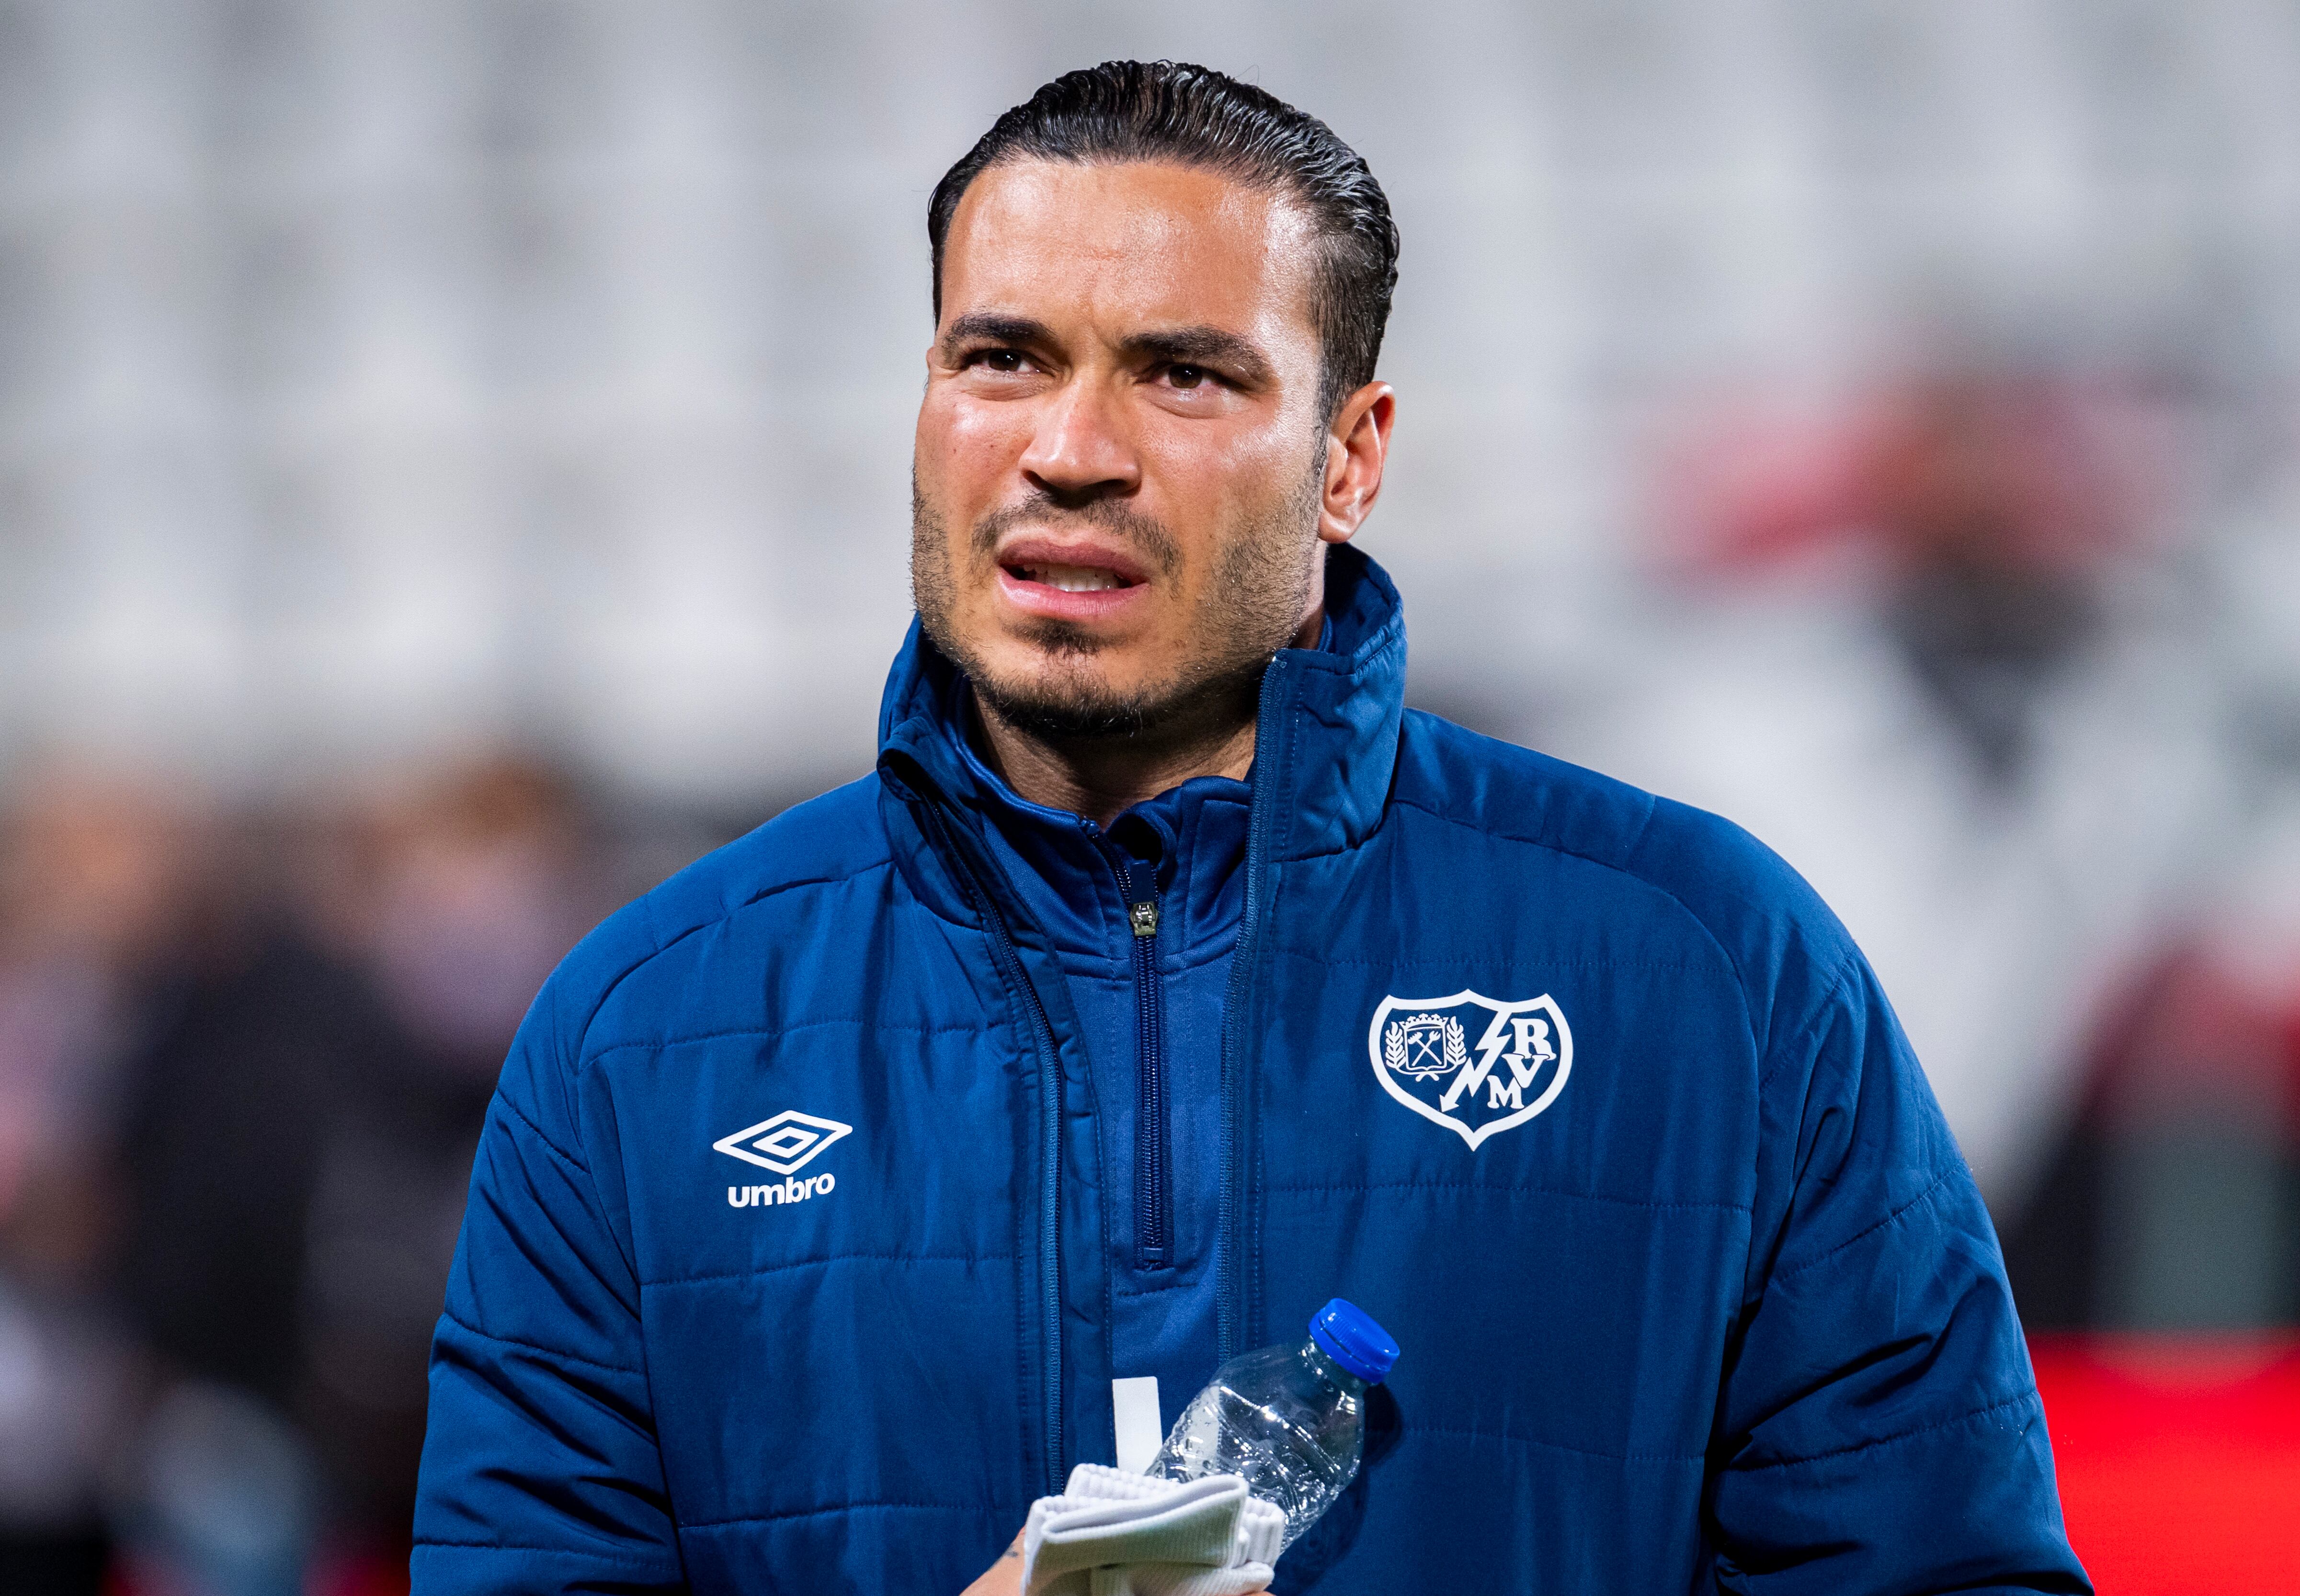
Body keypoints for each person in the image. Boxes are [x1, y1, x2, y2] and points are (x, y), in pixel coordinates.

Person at [412, 62, 2089, 1595]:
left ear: (1350, 459)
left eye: (1186, 375)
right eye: (1001, 358)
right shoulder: (640, 1040)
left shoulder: (1711, 970)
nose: (1070, 452)